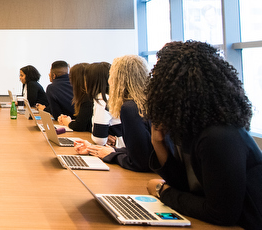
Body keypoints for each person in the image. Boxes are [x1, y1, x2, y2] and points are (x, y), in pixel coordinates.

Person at [144, 41, 262, 229]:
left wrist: (163, 192)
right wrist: (158, 143)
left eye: (159, 81)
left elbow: (222, 215)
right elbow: (187, 188)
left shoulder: (219, 136)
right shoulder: (192, 129)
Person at [73, 55, 152, 172]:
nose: (109, 80)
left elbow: (140, 162)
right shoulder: (145, 102)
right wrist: (97, 149)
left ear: (119, 79)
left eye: (111, 76)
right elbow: (143, 152)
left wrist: (111, 155)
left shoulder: (130, 108)